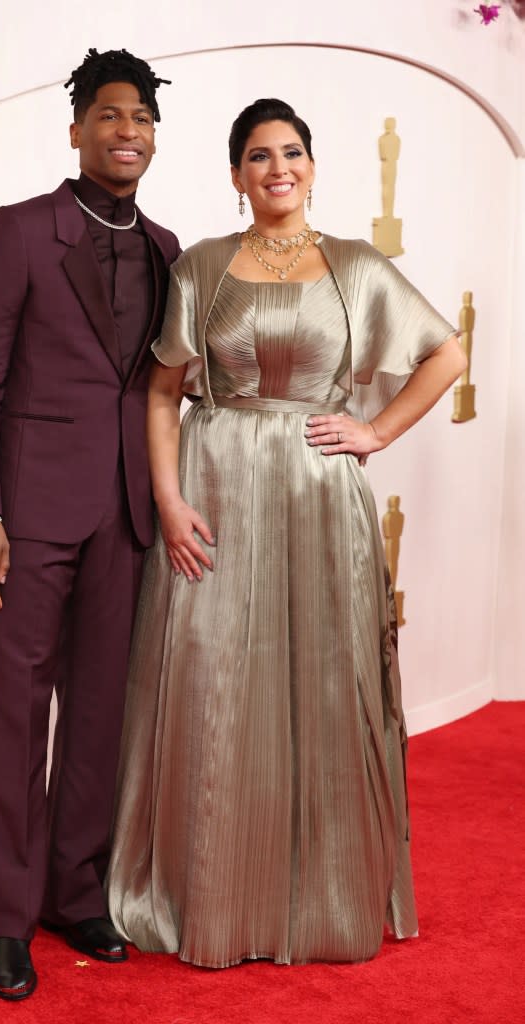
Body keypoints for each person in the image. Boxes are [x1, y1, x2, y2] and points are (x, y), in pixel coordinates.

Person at [106, 98, 466, 968]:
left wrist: (374, 432)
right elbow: (163, 391)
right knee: (210, 680)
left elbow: (445, 354)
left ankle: (319, 895)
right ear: (235, 174)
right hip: (214, 488)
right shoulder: (200, 267)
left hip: (316, 491)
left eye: (292, 152)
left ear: (311, 166)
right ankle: (207, 892)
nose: (278, 167)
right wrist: (167, 499)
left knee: (320, 674)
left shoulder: (354, 265)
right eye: (259, 155)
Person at [0, 48, 179, 1000]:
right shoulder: (17, 231)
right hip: (31, 512)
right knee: (15, 720)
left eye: (143, 118)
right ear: (78, 126)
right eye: (111, 114)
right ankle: (6, 920)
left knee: (98, 717)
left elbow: (169, 388)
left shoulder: (172, 249)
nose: (128, 131)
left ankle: (71, 889)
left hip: (127, 515)